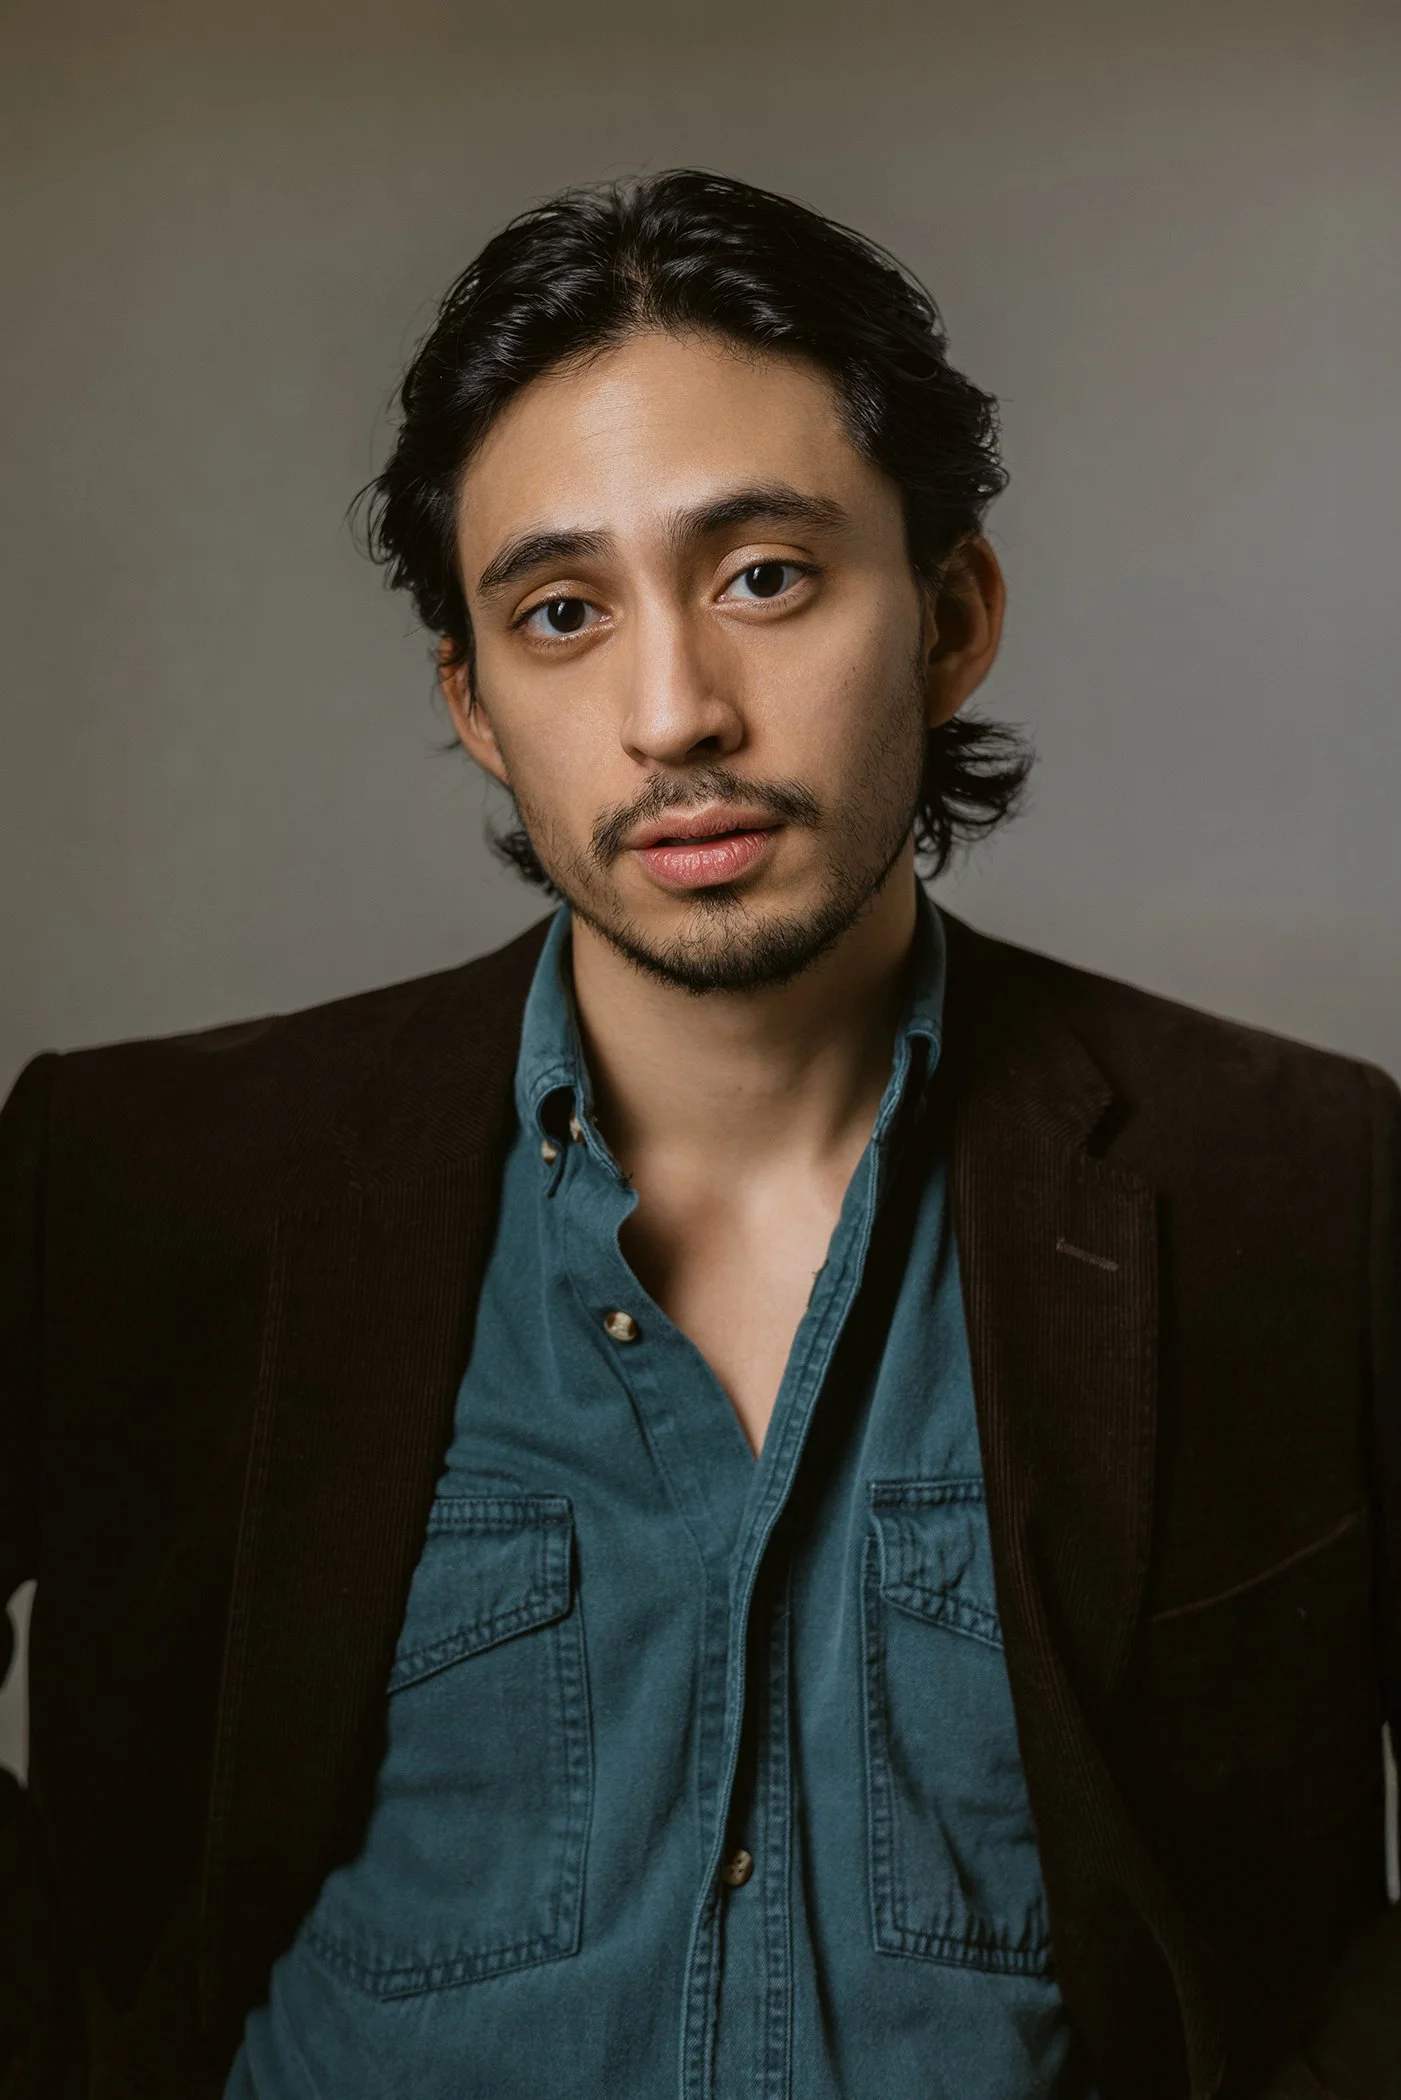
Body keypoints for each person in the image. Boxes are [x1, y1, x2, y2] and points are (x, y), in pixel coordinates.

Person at [1, 169, 1396, 2100]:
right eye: (560, 613)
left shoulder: (1300, 1186)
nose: (674, 712)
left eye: (765, 574)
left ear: (954, 614)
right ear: (476, 705)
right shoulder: (149, 1181)